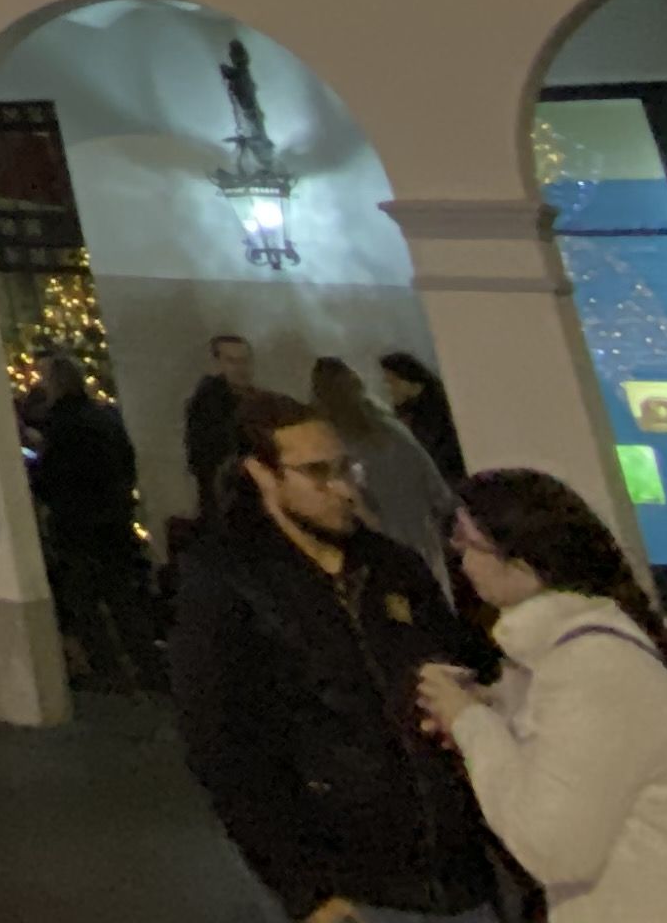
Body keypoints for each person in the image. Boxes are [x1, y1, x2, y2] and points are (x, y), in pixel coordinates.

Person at [419, 469, 667, 920]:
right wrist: (491, 713)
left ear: (524, 563)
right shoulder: (572, 657)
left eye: (467, 541)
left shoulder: (593, 669)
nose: (461, 560)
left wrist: (472, 723)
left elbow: (554, 846)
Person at [169, 388, 496, 920]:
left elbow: (462, 665)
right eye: (318, 473)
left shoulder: (393, 567)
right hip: (350, 879)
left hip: (456, 870)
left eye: (347, 468)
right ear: (262, 474)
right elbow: (223, 746)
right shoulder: (228, 582)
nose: (343, 489)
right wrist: (304, 889)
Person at [22, 347, 161, 692]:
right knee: (123, 598)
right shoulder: (105, 416)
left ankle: (108, 670)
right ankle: (149, 666)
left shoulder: (60, 426)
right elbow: (127, 464)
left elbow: (52, 479)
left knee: (84, 602)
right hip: (113, 521)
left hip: (77, 526)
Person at [310, 355, 458, 593]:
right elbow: (438, 491)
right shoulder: (395, 431)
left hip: (379, 555)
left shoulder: (333, 447)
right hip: (424, 540)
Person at [182, 332, 259, 528]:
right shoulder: (207, 406)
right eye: (232, 361)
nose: (240, 368)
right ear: (217, 364)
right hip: (228, 510)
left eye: (244, 361)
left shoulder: (258, 402)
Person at [379, 349, 466, 486]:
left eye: (392, 382)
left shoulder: (436, 408)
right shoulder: (404, 412)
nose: (388, 388)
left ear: (408, 381)